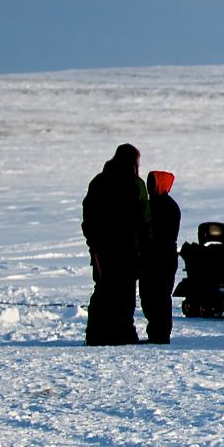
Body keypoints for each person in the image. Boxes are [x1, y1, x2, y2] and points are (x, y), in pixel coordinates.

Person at [81, 143, 148, 345]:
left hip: (102, 250)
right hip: (128, 249)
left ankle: (96, 334)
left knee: (103, 290)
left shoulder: (98, 182)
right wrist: (145, 245)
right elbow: (145, 218)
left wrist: (93, 243)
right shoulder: (135, 184)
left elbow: (88, 217)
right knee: (125, 293)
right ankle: (123, 334)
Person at [140, 170, 182, 344]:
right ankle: (156, 332)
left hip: (161, 257)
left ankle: (161, 334)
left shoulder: (166, 206)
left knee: (159, 297)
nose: (150, 187)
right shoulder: (155, 204)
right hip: (154, 257)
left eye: (153, 183)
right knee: (149, 296)